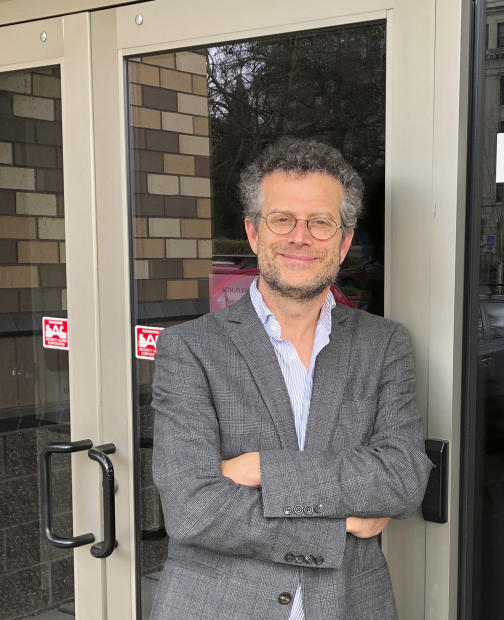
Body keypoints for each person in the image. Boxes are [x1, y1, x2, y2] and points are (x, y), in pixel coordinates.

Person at [149, 137, 433, 620]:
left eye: (320, 223)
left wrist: (259, 468)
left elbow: (403, 479)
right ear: (255, 233)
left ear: (344, 243)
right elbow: (192, 507)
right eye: (282, 219)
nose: (300, 237)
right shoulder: (190, 348)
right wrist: (339, 521)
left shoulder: (383, 345)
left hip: (350, 605)